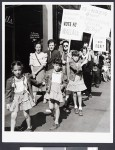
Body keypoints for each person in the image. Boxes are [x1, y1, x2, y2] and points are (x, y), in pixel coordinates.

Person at [5, 61, 42, 131]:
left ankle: (29, 127)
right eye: (15, 70)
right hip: (15, 97)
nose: (17, 72)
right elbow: (8, 92)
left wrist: (41, 84)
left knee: (26, 115)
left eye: (19, 70)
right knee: (13, 115)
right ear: (12, 71)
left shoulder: (26, 77)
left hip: (25, 96)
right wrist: (7, 102)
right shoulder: (10, 80)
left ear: (21, 69)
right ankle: (12, 131)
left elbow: (34, 82)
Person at [46, 58, 67, 130]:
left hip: (58, 91)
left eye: (59, 65)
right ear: (53, 65)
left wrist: (63, 86)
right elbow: (46, 80)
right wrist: (46, 86)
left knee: (57, 107)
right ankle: (54, 114)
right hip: (51, 91)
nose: (58, 67)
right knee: (51, 107)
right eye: (56, 65)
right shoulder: (50, 72)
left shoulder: (62, 73)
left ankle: (56, 122)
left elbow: (65, 82)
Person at [66, 50, 87, 116]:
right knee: (74, 93)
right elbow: (76, 69)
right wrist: (82, 64)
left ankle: (80, 107)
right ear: (72, 56)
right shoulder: (70, 61)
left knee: (79, 93)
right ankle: (75, 106)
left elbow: (87, 59)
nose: (76, 58)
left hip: (79, 79)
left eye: (77, 56)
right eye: (74, 56)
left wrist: (87, 51)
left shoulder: (80, 60)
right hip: (73, 79)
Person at [44, 39, 61, 109]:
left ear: (54, 46)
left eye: (52, 45)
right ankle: (48, 99)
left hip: (54, 71)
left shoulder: (57, 52)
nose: (51, 46)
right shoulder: (45, 52)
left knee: (52, 85)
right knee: (47, 85)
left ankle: (53, 100)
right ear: (48, 46)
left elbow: (58, 62)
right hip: (47, 70)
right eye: (50, 45)